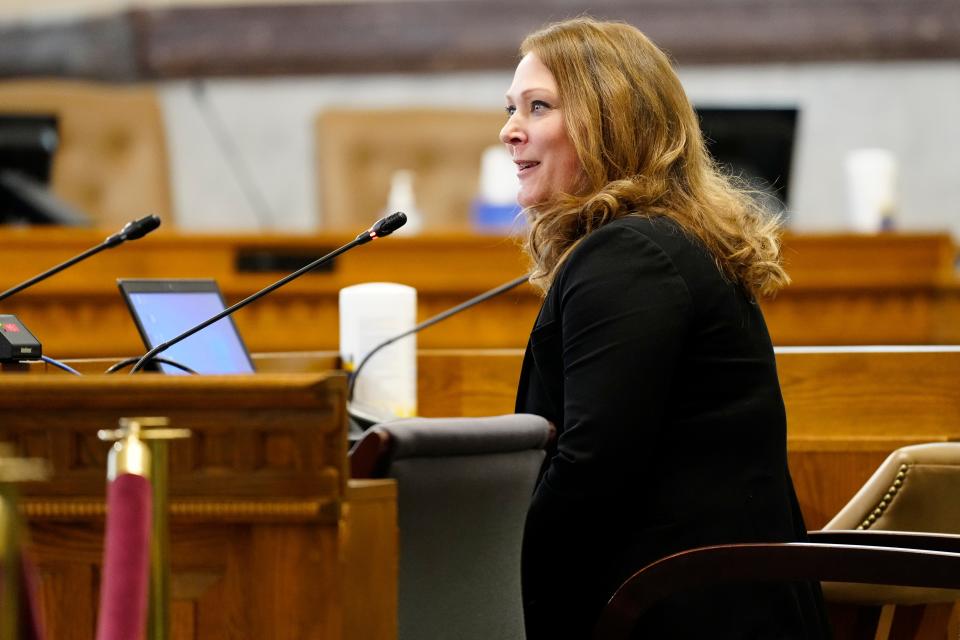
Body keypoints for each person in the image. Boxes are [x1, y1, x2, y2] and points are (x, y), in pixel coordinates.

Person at [500, 17, 832, 639]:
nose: (509, 130)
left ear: (609, 121)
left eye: (537, 107)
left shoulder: (631, 255)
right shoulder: (661, 243)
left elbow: (591, 468)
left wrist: (490, 569)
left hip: (680, 614)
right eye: (511, 108)